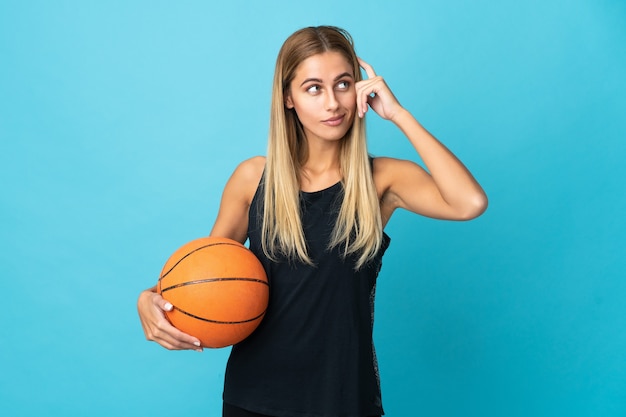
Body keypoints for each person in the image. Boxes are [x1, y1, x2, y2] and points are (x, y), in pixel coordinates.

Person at [137, 25, 487, 417]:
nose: (333, 103)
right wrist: (149, 297)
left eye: (342, 84)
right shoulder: (252, 179)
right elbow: (202, 278)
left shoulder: (382, 180)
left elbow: (469, 203)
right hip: (253, 399)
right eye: (313, 88)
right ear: (288, 97)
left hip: (344, 399)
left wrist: (399, 115)